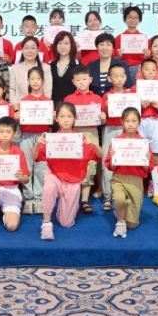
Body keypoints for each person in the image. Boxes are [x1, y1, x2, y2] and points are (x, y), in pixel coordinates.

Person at [34, 103, 102, 240]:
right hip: (54, 174)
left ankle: (67, 207)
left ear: (75, 118)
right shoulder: (51, 138)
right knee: (48, 186)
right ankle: (46, 222)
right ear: (56, 118)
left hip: (73, 179)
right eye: (62, 116)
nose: (66, 120)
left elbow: (99, 156)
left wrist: (94, 144)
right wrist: (37, 145)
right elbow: (35, 157)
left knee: (66, 223)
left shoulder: (82, 139)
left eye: (69, 116)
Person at [103, 107, 156, 238]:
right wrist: (114, 158)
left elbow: (148, 169)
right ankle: (120, 221)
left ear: (139, 122)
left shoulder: (143, 143)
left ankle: (121, 209)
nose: (130, 124)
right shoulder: (117, 142)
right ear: (122, 122)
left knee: (132, 224)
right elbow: (111, 167)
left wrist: (145, 160)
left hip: (136, 181)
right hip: (119, 178)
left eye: (134, 121)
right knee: (119, 199)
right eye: (127, 121)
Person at [0, 116, 30, 236]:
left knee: (12, 226)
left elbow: (26, 179)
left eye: (8, 132)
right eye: (1, 131)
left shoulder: (19, 153)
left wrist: (21, 176)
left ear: (15, 133)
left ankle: (3, 212)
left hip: (12, 191)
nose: (4, 135)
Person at [64, 65, 104, 211]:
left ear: (90, 80)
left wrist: (103, 118)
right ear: (73, 82)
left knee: (90, 165)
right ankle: (72, 197)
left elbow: (102, 121)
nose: (81, 82)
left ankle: (85, 200)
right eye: (78, 80)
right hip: (74, 134)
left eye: (84, 79)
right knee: (74, 164)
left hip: (91, 133)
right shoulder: (68, 99)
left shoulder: (97, 99)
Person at [17, 66, 53, 215]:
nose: (35, 81)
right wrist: (18, 117)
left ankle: (38, 198)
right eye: (32, 79)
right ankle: (28, 198)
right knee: (27, 167)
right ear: (28, 81)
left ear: (43, 80)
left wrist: (53, 116)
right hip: (26, 135)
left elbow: (51, 121)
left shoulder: (48, 101)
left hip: (43, 136)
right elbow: (19, 121)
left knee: (41, 168)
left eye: (38, 78)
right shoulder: (24, 101)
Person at [99, 65, 132, 212]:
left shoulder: (131, 95)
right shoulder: (106, 96)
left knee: (126, 161)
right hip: (110, 129)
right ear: (109, 79)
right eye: (116, 76)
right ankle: (107, 196)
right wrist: (105, 111)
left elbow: (136, 115)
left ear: (126, 78)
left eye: (122, 76)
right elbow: (102, 118)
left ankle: (125, 192)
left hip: (127, 131)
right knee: (107, 161)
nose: (119, 79)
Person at [136, 58, 158, 206]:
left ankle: (156, 192)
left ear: (157, 72)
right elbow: (130, 112)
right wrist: (140, 106)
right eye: (146, 69)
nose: (150, 72)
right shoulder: (135, 88)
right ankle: (136, 189)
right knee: (138, 154)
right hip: (140, 122)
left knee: (156, 156)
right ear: (141, 70)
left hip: (155, 123)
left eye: (153, 70)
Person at [9, 35, 51, 102]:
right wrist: (16, 106)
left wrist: (43, 105)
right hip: (20, 106)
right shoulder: (15, 68)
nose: (29, 51)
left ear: (38, 50)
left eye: (33, 48)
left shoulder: (46, 68)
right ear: (22, 50)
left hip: (41, 106)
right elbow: (12, 89)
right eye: (26, 48)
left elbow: (48, 91)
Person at [49, 31, 82, 104]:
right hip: (53, 107)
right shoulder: (50, 66)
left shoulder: (78, 65)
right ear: (55, 45)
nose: (63, 47)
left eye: (66, 43)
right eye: (59, 43)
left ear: (71, 45)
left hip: (72, 107)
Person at [114, 5, 147, 74]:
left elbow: (149, 60)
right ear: (125, 19)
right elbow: (113, 59)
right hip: (123, 70)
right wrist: (119, 56)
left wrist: (147, 56)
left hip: (140, 70)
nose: (132, 20)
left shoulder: (144, 39)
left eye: (135, 17)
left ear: (139, 20)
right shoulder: (118, 38)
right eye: (130, 17)